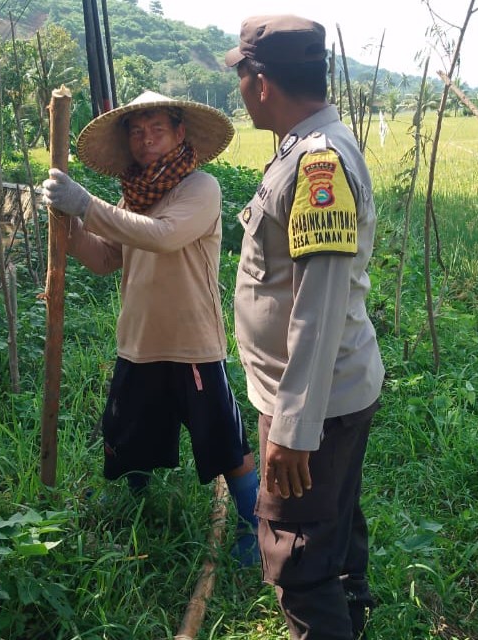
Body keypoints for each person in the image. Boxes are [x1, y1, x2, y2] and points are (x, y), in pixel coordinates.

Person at [41, 91, 259, 565]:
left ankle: (252, 524)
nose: (146, 139)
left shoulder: (201, 189)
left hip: (192, 342)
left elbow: (163, 236)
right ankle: (132, 504)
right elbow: (106, 258)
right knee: (127, 431)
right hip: (139, 340)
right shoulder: (132, 197)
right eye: (137, 132)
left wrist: (86, 204)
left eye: (157, 129)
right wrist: (70, 228)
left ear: (179, 132)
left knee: (223, 439)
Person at [225, 15, 386, 639]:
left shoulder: (319, 163)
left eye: (241, 77)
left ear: (262, 83)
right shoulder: (303, 149)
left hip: (312, 405)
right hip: (323, 395)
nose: (242, 90)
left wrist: (293, 430)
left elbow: (318, 305)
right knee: (332, 532)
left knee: (297, 558)